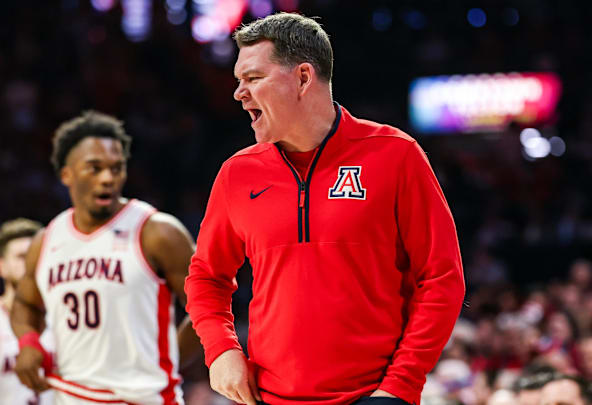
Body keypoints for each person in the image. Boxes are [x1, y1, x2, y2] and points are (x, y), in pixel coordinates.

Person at [184, 12, 465, 405]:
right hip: (270, 398)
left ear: (302, 77)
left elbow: (442, 278)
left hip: (374, 397)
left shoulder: (396, 155)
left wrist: (400, 386)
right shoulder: (237, 174)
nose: (239, 93)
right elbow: (206, 277)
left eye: (253, 78)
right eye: (238, 81)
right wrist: (221, 350)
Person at [11, 110, 201, 404]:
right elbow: (25, 303)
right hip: (69, 396)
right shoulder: (46, 240)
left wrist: (170, 360)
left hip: (141, 399)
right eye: (94, 168)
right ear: (67, 175)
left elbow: (210, 307)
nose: (107, 178)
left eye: (116, 168)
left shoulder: (157, 232)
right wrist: (28, 343)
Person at [0, 218, 53, 404]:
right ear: (2, 266)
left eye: (35, 257)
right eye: (22, 257)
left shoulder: (65, 316)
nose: (30, 264)